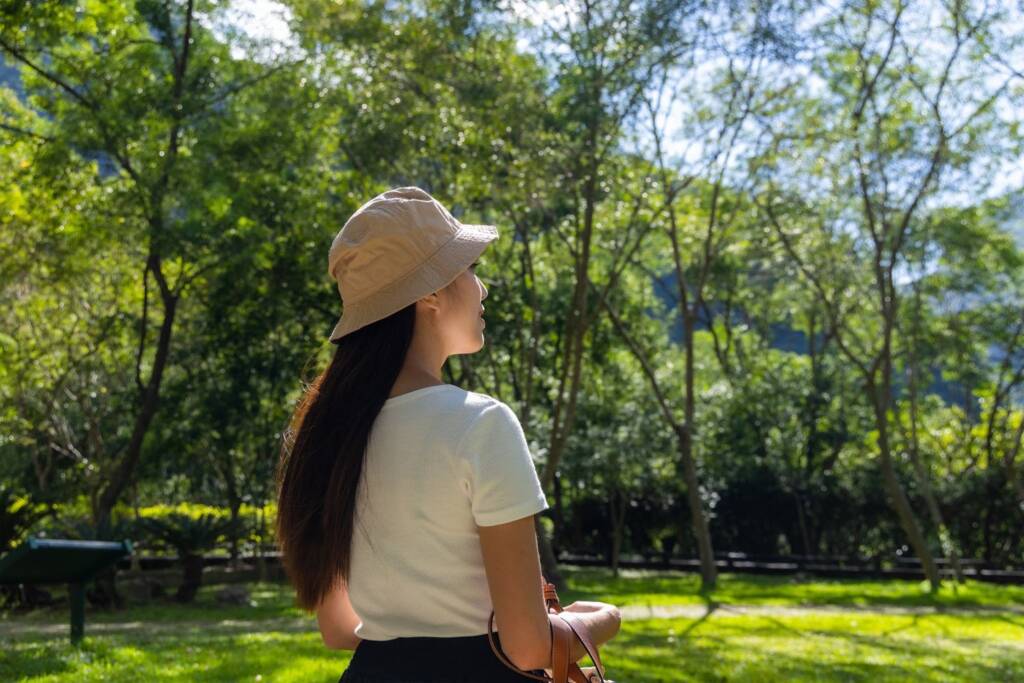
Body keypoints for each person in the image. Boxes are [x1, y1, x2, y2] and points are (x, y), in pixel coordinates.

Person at [274, 186, 621, 683]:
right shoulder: (481, 424)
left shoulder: (328, 434)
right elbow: (528, 647)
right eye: (470, 268)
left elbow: (339, 629)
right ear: (430, 293)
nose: (483, 289)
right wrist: (601, 619)